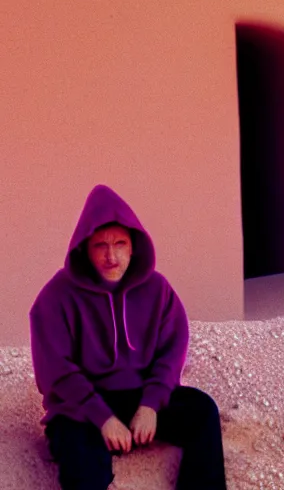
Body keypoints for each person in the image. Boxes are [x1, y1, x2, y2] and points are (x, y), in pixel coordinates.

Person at [29, 184, 227, 490]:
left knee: (202, 412)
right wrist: (102, 418)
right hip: (80, 407)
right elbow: (56, 370)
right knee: (82, 464)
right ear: (84, 248)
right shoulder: (57, 296)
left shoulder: (158, 290)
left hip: (139, 397)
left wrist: (150, 405)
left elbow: (171, 352)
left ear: (133, 246)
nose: (111, 256)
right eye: (100, 246)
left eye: (120, 244)